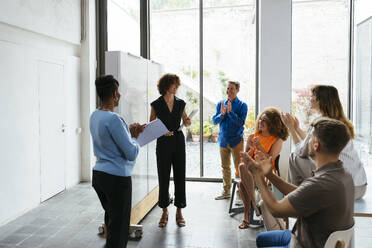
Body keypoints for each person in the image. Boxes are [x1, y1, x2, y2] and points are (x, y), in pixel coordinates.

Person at [242, 117, 354, 248]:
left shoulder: (320, 184)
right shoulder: (343, 174)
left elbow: (276, 209)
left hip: (305, 243)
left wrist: (256, 175)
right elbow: (301, 192)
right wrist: (269, 175)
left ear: (316, 145)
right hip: (310, 236)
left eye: (310, 137)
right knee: (262, 238)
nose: (306, 141)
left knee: (262, 241)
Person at [282, 85, 367, 200]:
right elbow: (311, 142)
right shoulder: (339, 121)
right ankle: (302, 196)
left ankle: (295, 200)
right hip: (360, 187)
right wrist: (297, 129)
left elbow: (302, 151)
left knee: (294, 157)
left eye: (312, 96)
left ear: (318, 100)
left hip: (341, 188)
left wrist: (291, 129)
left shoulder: (319, 122)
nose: (309, 98)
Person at [90, 75, 145, 248]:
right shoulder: (114, 119)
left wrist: (127, 133)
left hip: (99, 176)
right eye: (118, 92)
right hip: (116, 179)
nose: (120, 95)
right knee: (120, 230)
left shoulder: (95, 115)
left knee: (112, 223)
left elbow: (109, 140)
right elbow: (130, 153)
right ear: (114, 94)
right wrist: (135, 137)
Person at [150, 73, 191, 228]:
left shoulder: (181, 103)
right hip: (163, 143)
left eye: (177, 84)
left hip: (178, 142)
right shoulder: (156, 104)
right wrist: (161, 131)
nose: (176, 87)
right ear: (166, 85)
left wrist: (187, 122)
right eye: (174, 84)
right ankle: (164, 211)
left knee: (180, 175)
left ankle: (179, 211)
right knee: (163, 177)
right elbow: (150, 126)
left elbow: (186, 121)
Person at [238, 107, 289, 229]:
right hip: (249, 170)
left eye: (264, 120)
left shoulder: (277, 140)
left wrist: (259, 147)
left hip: (266, 173)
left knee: (242, 184)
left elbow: (270, 160)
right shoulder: (252, 136)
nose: (260, 122)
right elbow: (244, 159)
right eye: (260, 119)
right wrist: (250, 148)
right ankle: (256, 207)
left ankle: (247, 214)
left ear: (272, 124)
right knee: (242, 166)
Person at [212, 81, 248, 201]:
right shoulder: (220, 103)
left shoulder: (243, 105)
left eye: (232, 89)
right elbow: (214, 121)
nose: (229, 91)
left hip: (236, 141)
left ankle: (240, 192)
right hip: (222, 140)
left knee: (238, 167)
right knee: (225, 166)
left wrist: (230, 113)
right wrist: (222, 114)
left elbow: (241, 122)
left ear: (237, 90)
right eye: (228, 88)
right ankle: (226, 191)